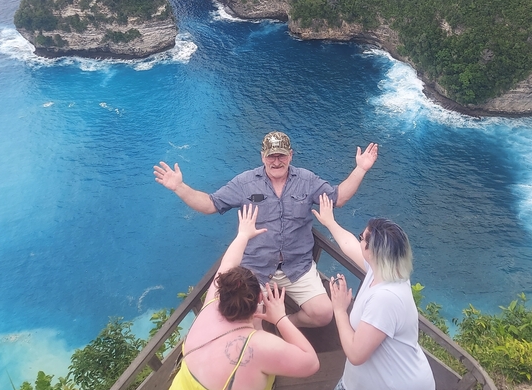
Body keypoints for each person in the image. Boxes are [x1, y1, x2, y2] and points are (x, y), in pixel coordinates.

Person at [154, 131, 378, 327]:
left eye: (281, 155)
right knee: (250, 320)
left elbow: (337, 198)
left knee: (323, 314)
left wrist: (360, 169)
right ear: (263, 157)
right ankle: (263, 347)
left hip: (298, 267)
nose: (277, 161)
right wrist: (179, 188)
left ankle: (284, 323)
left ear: (291, 155)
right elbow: (211, 204)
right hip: (256, 269)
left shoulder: (307, 181)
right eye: (271, 155)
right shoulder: (245, 183)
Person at [166, 204, 320, 390]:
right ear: (261, 298)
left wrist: (243, 234)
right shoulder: (258, 346)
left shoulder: (210, 304)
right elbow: (311, 363)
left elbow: (228, 263)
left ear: (222, 293)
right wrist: (279, 318)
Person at [312, 195, 436, 390]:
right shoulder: (384, 270)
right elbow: (348, 246)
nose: (359, 240)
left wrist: (339, 310)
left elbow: (357, 353)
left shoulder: (387, 297)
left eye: (363, 238)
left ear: (373, 251)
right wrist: (330, 222)